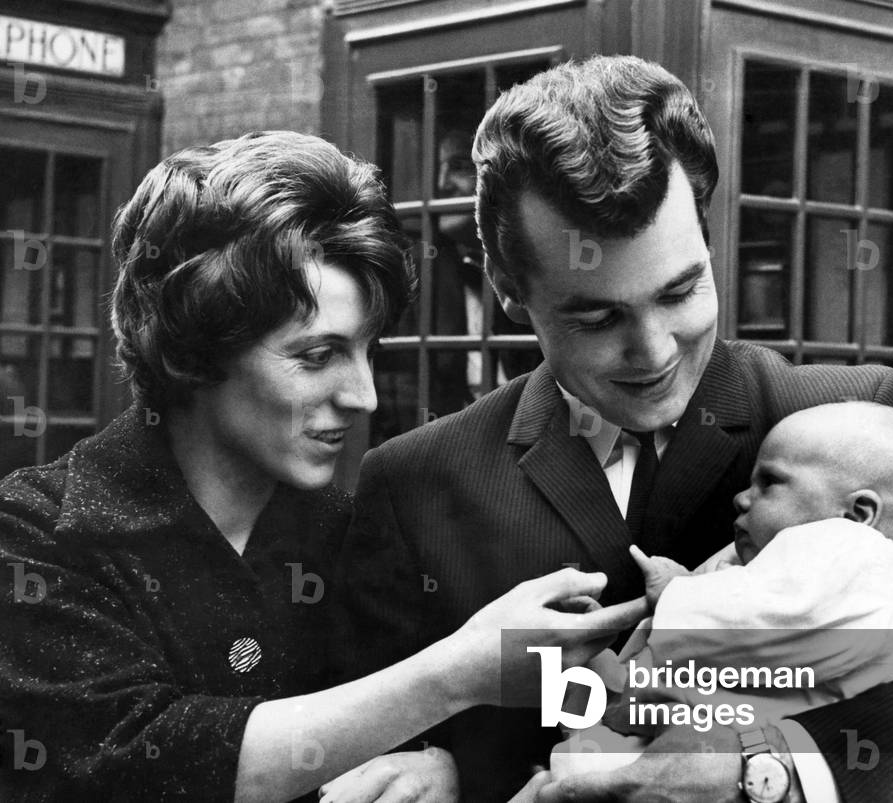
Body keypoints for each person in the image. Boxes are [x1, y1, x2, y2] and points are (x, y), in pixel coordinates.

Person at [338, 55, 893, 802]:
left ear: (706, 239)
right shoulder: (413, 481)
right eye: (598, 316)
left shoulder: (855, 421)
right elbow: (367, 725)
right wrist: (443, 766)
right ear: (508, 289)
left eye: (681, 291)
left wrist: (768, 770)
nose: (655, 351)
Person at [0, 131, 645, 802]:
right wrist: (452, 676)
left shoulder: (352, 530)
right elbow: (136, 760)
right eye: (316, 356)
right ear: (190, 351)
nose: (363, 396)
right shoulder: (35, 536)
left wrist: (441, 767)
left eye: (368, 350)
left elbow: (419, 731)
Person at [549, 401, 893, 779]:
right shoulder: (824, 575)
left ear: (857, 514)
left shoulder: (864, 559)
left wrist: (676, 592)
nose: (742, 498)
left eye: (770, 482)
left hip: (725, 754)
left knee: (587, 759)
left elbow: (777, 617)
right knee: (588, 745)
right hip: (710, 738)